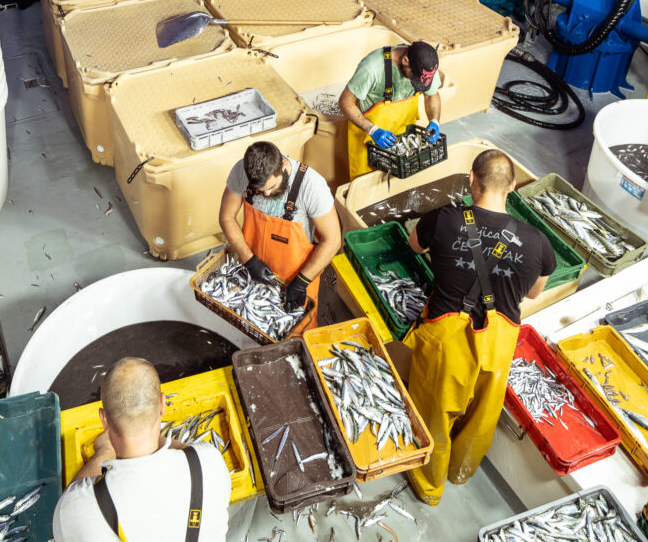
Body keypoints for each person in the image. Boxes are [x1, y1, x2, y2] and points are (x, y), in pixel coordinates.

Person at [401, 149, 553, 505]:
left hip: (446, 344)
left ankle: (429, 487)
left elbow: (415, 245)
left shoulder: (444, 219)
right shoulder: (537, 242)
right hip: (497, 348)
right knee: (480, 419)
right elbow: (533, 292)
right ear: (512, 187)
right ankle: (460, 472)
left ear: (471, 178)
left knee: (434, 416)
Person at [54, 357, 233, 542]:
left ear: (104, 419)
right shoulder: (210, 464)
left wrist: (104, 452)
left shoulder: (76, 510)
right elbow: (190, 452)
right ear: (163, 404)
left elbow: (71, 496)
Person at [216, 141, 343, 319]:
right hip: (253, 268)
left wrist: (302, 281)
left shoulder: (312, 186)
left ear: (283, 165)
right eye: (259, 190)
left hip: (297, 276)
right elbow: (227, 217)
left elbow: (333, 240)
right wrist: (249, 260)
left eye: (271, 187)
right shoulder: (241, 171)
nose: (266, 194)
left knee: (298, 328)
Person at [339, 41, 445, 179]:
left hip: (403, 140)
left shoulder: (426, 67)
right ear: (405, 60)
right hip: (369, 140)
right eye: (414, 78)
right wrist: (372, 130)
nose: (418, 83)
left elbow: (432, 95)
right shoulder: (372, 68)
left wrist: (434, 121)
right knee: (368, 187)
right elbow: (345, 102)